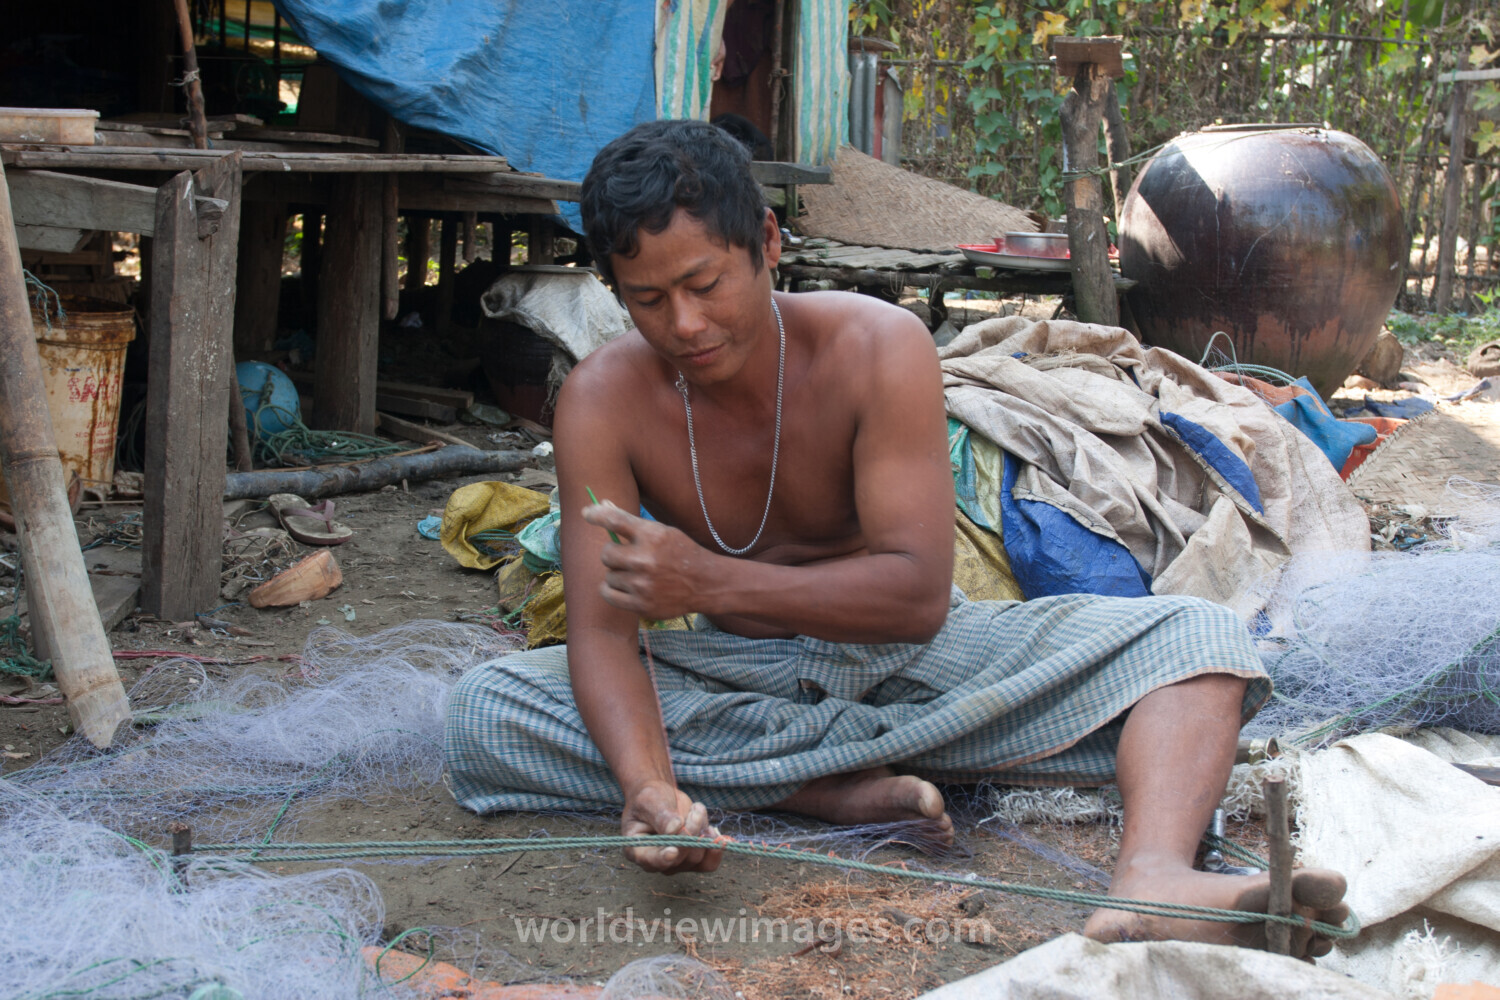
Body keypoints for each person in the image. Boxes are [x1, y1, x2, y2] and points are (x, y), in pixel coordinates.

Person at [444, 119, 1348, 955]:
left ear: (765, 242)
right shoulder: (601, 398)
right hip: (742, 676)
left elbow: (915, 600)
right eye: (647, 300)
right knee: (484, 713)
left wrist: (709, 584)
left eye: (704, 284)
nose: (683, 324)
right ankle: (825, 789)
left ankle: (1151, 876)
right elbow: (604, 634)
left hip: (918, 658)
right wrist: (645, 784)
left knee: (1199, 640)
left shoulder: (878, 346)